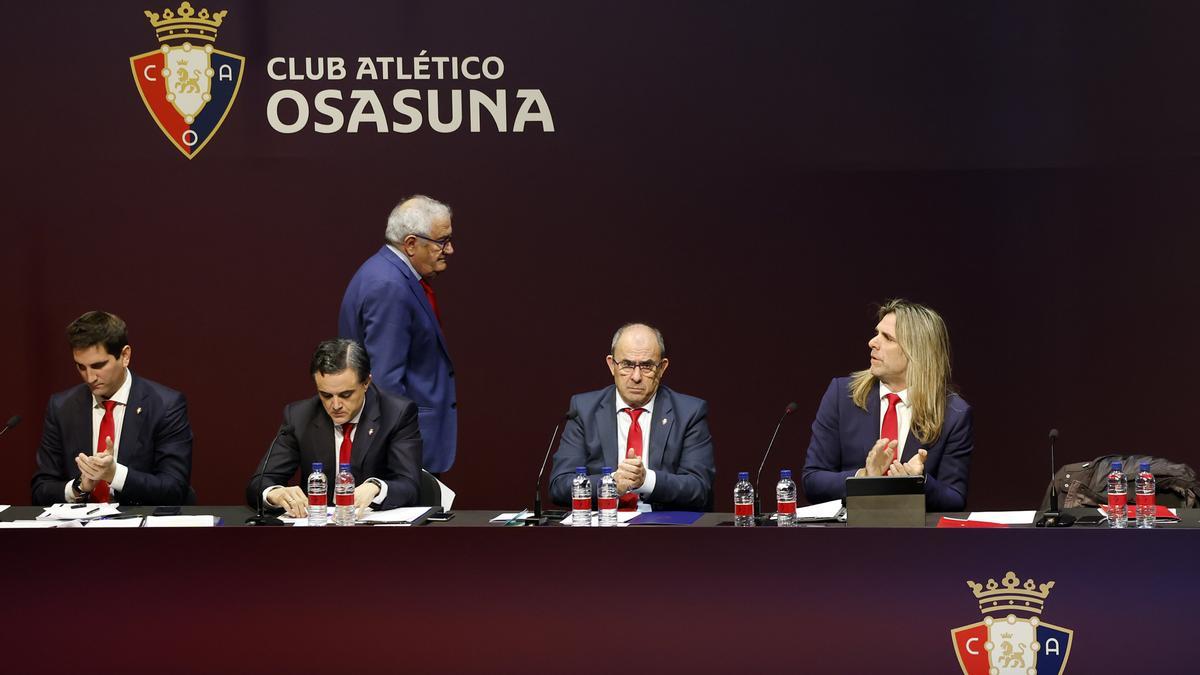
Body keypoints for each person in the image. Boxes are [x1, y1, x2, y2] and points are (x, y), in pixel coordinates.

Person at [801, 299, 973, 511]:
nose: (872, 342)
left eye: (888, 338)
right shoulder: (841, 395)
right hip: (849, 537)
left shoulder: (953, 413)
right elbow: (813, 480)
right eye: (877, 333)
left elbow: (955, 499)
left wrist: (919, 483)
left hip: (914, 539)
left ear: (916, 353)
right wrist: (864, 477)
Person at [338, 195, 456, 474]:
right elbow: (385, 380)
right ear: (411, 244)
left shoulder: (387, 273)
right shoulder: (389, 286)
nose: (449, 249)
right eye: (442, 241)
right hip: (403, 451)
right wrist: (400, 456)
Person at [246, 338, 422, 518]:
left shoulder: (396, 413)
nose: (335, 405)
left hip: (374, 531)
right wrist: (275, 493)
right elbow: (259, 483)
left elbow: (409, 485)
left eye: (346, 395)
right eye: (326, 395)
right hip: (319, 529)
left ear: (366, 382)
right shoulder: (299, 416)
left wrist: (375, 487)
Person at [31, 311, 193, 506]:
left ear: (125, 356)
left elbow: (174, 488)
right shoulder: (61, 407)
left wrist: (115, 474)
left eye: (98, 365)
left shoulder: (165, 405)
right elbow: (41, 489)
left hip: (141, 530)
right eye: (81, 367)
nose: (89, 377)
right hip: (78, 530)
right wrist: (79, 487)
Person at [549, 323, 715, 512]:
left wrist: (646, 480)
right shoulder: (584, 409)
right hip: (601, 531)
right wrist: (610, 484)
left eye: (646, 366)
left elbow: (700, 488)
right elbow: (560, 485)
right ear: (612, 365)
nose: (636, 377)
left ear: (662, 368)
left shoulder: (689, 412)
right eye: (627, 365)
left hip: (665, 532)